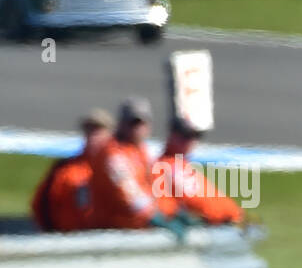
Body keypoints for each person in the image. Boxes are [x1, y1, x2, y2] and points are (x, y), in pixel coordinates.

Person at [87, 98, 167, 230]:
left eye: (142, 123)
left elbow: (155, 188)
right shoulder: (112, 153)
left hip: (137, 228)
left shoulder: (142, 152)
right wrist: (153, 216)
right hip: (113, 231)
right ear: (122, 124)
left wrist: (171, 211)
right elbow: (128, 192)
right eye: (133, 123)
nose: (138, 128)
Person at [150, 116, 245, 226]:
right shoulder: (161, 167)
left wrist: (233, 212)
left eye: (194, 136)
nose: (190, 141)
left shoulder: (184, 166)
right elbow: (164, 205)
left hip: (223, 223)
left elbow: (211, 198)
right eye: (186, 136)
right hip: (199, 227)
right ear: (172, 135)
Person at [30, 110, 112, 232]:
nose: (93, 136)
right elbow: (41, 204)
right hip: (70, 239)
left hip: (108, 238)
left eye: (98, 131)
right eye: (89, 130)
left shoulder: (118, 169)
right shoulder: (66, 168)